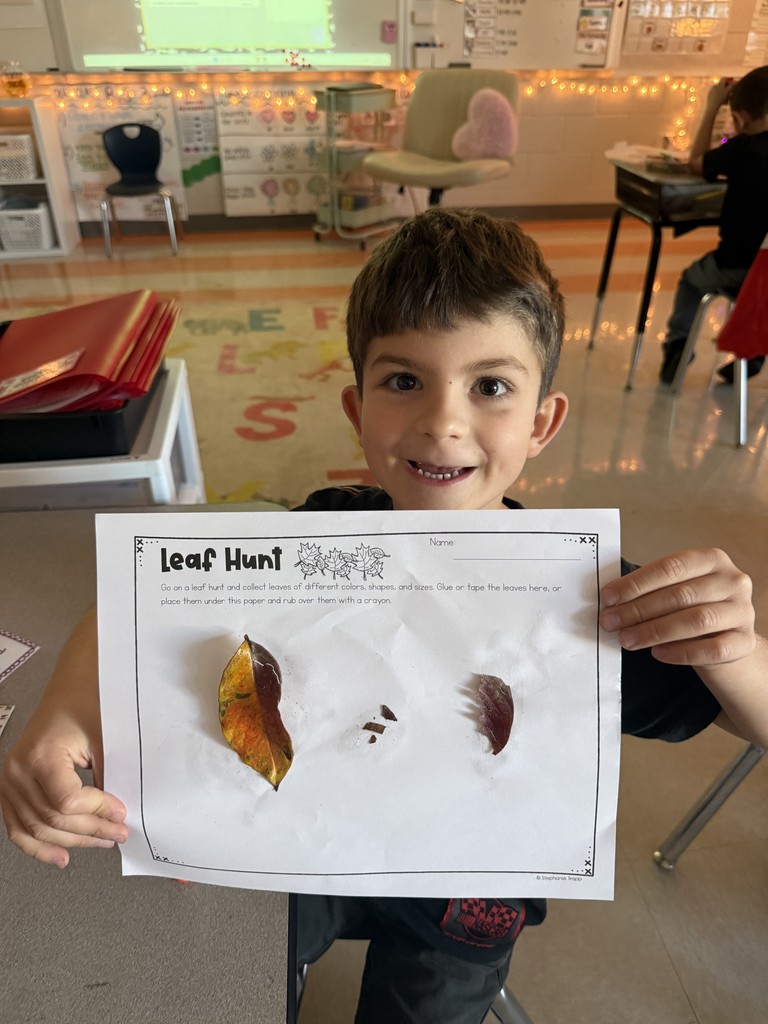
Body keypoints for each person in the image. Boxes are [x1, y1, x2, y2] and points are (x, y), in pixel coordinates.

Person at [2, 209, 767, 1024]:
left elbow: (753, 718)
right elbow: (141, 601)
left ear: (542, 422)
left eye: (492, 386)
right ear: (356, 407)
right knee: (228, 977)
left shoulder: (583, 597)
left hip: (467, 897)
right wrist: (58, 717)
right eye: (405, 381)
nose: (443, 421)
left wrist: (733, 647)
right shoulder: (313, 536)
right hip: (297, 851)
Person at [659, 66, 768, 385]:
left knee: (692, 282)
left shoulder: (744, 148)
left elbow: (696, 163)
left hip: (737, 265)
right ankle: (755, 353)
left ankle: (678, 346)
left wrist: (711, 107)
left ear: (741, 118)